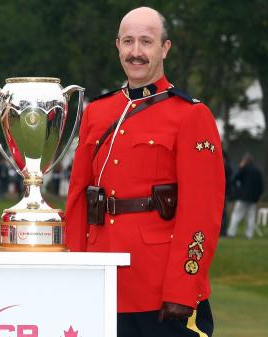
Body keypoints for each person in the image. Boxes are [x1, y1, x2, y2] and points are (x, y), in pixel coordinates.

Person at [64, 7, 223, 337]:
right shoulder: (97, 112)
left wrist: (183, 285)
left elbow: (201, 212)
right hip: (102, 279)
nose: (136, 52)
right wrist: (74, 270)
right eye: (128, 41)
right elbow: (79, 197)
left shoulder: (191, 115)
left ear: (164, 48)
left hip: (159, 287)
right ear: (118, 46)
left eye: (146, 42)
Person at [227, 153, 263, 239]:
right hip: (253, 198)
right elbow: (261, 186)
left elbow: (234, 178)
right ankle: (249, 234)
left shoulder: (244, 169)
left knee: (236, 215)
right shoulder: (257, 171)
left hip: (242, 197)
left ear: (245, 160)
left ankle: (231, 232)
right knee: (251, 217)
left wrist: (240, 167)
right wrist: (257, 197)